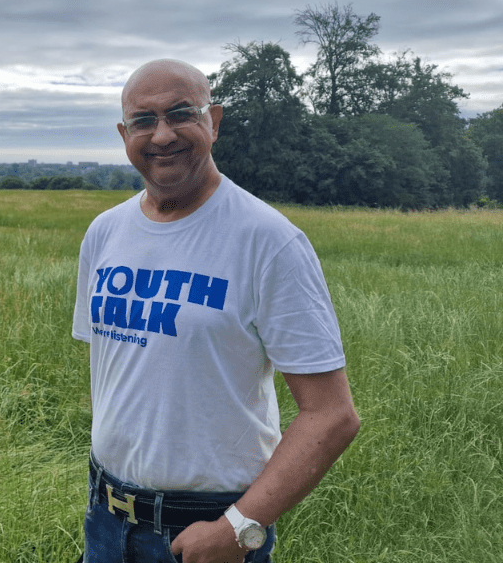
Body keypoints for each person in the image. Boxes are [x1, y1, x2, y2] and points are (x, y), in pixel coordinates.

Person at [72, 59, 360, 563]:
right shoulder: (105, 233)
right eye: (143, 120)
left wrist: (239, 528)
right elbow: (121, 371)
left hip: (208, 529)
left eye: (181, 113)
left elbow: (332, 415)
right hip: (106, 518)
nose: (162, 135)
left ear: (214, 121)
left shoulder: (268, 242)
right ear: (124, 133)